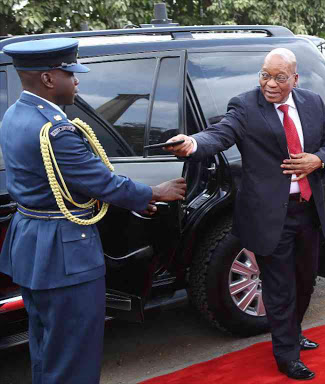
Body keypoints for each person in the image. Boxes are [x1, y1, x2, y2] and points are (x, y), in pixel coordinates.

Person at [0, 38, 187, 384]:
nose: (77, 81)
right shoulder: (55, 131)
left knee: (46, 349)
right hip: (64, 256)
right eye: (70, 73)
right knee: (74, 357)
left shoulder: (16, 114)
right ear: (48, 79)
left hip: (32, 248)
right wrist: (154, 191)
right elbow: (101, 182)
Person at [166, 48, 325, 380]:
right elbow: (220, 133)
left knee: (305, 282)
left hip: (307, 211)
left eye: (279, 77)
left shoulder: (312, 103)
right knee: (279, 288)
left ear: (294, 78)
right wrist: (192, 144)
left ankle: (293, 331)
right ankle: (286, 354)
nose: (270, 83)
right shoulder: (245, 106)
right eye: (265, 75)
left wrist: (317, 160)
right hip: (269, 215)